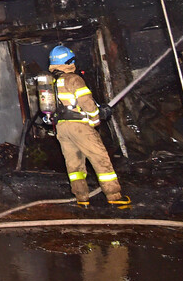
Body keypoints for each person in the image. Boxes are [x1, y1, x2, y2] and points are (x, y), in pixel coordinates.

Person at [48, 45, 130, 208]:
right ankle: (114, 196)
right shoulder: (73, 79)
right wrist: (96, 117)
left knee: (74, 164)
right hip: (79, 126)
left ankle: (82, 198)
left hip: (62, 128)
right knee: (100, 158)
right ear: (69, 61)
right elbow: (86, 102)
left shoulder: (52, 82)